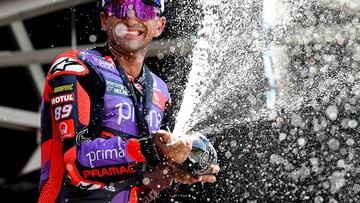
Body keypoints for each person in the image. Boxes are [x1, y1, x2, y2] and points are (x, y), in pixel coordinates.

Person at [38, 0, 219, 202]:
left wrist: (173, 174)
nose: (131, 17)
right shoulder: (76, 67)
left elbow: (142, 185)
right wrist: (149, 149)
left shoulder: (160, 90)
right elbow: (77, 164)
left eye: (144, 9)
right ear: (104, 20)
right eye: (119, 7)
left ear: (159, 25)